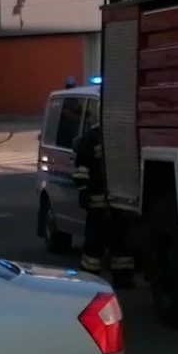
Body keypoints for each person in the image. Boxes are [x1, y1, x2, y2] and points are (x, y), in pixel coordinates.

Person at [71, 121, 135, 286]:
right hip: (110, 203)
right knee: (109, 241)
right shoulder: (97, 138)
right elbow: (81, 170)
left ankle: (100, 278)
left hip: (109, 203)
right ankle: (109, 279)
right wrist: (83, 190)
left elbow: (81, 168)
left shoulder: (92, 138)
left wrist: (83, 191)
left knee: (115, 242)